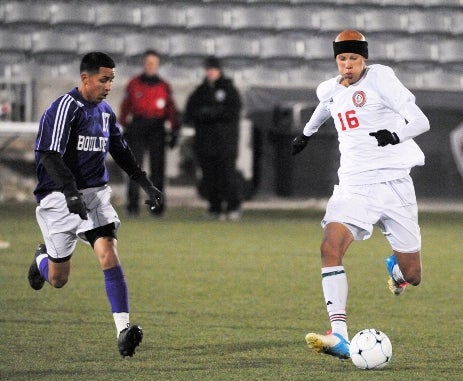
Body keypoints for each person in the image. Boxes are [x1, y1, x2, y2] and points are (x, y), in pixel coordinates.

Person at [291, 30, 430, 360]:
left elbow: (421, 121)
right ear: (336, 61)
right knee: (330, 246)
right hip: (354, 186)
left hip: (395, 185)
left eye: (354, 58)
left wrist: (395, 135)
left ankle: (396, 271)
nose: (348, 65)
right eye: (342, 59)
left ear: (364, 58)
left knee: (413, 275)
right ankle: (338, 334)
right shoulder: (329, 88)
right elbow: (324, 108)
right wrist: (306, 134)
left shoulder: (381, 78)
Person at [27, 52, 163, 357]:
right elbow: (49, 155)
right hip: (59, 197)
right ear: (85, 78)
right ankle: (41, 261)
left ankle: (123, 331)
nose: (109, 86)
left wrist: (146, 183)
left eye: (112, 80)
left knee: (108, 252)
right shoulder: (65, 108)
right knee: (58, 279)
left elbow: (121, 150)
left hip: (95, 195)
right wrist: (70, 192)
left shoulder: (105, 112)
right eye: (104, 79)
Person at [119, 49, 179, 217]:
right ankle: (132, 206)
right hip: (137, 126)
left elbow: (171, 110)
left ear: (157, 65)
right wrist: (122, 127)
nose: (151, 66)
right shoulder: (133, 84)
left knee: (157, 170)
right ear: (144, 64)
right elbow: (125, 107)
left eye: (154, 63)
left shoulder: (164, 86)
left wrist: (174, 129)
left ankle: (157, 207)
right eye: (148, 63)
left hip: (157, 128)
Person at [184, 56, 242, 220]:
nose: (211, 72)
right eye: (208, 69)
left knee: (227, 175)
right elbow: (190, 112)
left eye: (213, 69)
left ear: (219, 70)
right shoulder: (200, 91)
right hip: (205, 142)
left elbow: (232, 112)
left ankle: (233, 206)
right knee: (210, 176)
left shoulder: (229, 90)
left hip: (225, 142)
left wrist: (210, 113)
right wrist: (208, 113)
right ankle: (214, 207)